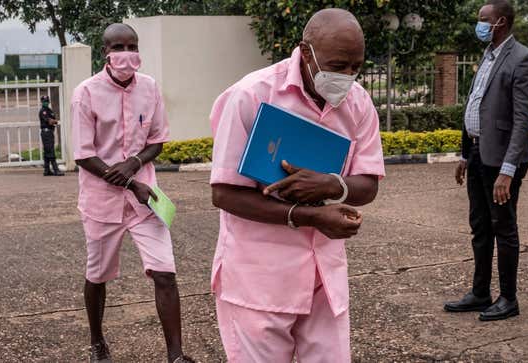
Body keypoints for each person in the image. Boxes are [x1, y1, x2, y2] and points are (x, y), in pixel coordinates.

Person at [209, 8, 385, 362]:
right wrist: (309, 215)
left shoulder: (359, 103)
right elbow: (224, 193)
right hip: (258, 284)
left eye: (356, 67)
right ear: (306, 52)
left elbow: (368, 184)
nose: (348, 76)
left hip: (324, 281)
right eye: (338, 65)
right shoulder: (250, 95)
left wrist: (331, 185)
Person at [71, 23, 194, 363]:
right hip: (102, 203)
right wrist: (130, 181)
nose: (126, 53)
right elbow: (83, 154)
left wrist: (136, 162)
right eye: (118, 47)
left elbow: (157, 139)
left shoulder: (150, 88)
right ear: (105, 53)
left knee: (165, 273)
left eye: (132, 45)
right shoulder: (86, 93)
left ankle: (176, 356)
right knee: (97, 275)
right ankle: (97, 342)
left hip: (146, 201)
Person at [444, 0, 528, 321]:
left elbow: (523, 120)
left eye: (483, 20)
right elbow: (474, 107)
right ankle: (480, 292)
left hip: (502, 160)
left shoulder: (523, 59)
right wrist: (463, 154)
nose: (479, 25)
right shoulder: (486, 57)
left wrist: (508, 171)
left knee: (504, 227)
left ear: (500, 22)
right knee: (480, 227)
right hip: (477, 153)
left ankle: (508, 299)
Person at [39, 95, 64, 176]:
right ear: (42, 102)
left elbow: (53, 120)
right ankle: (56, 170)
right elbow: (50, 121)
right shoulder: (43, 111)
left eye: (47, 101)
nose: (46, 102)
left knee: (47, 151)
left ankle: (46, 170)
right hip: (46, 132)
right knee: (50, 151)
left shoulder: (49, 110)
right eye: (44, 101)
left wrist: (54, 121)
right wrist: (54, 121)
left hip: (49, 132)